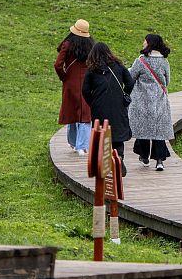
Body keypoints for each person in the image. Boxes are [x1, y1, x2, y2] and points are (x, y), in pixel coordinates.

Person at [82, 41, 133, 174]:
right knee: (117, 134)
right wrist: (125, 94)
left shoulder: (92, 70)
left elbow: (85, 90)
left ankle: (104, 164)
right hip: (118, 106)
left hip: (99, 107)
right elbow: (130, 82)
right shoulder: (119, 66)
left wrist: (92, 103)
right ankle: (119, 157)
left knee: (102, 134)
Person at [129, 35, 174, 171]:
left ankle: (144, 156)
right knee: (158, 130)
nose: (143, 42)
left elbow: (131, 77)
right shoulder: (164, 61)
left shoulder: (141, 61)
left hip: (142, 101)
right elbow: (167, 81)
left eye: (145, 40)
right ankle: (159, 161)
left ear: (150, 44)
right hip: (159, 100)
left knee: (144, 129)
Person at [54, 18, 95, 155]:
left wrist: (64, 76)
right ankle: (82, 146)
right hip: (88, 81)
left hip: (70, 81)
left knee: (72, 111)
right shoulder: (91, 45)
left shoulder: (67, 44)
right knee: (85, 113)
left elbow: (58, 64)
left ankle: (73, 142)